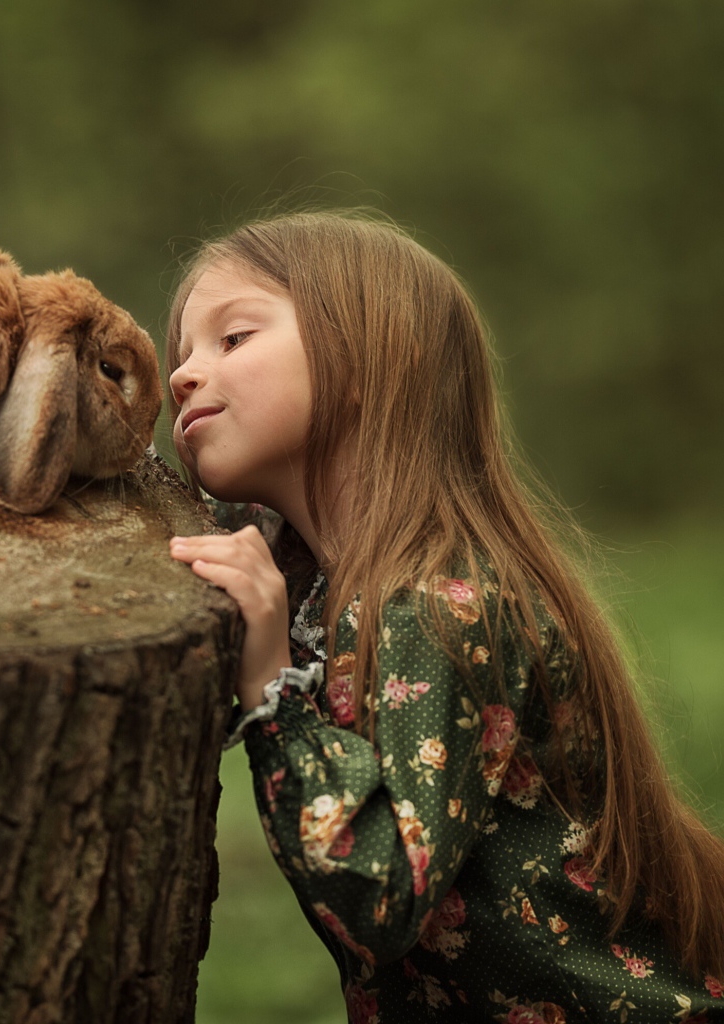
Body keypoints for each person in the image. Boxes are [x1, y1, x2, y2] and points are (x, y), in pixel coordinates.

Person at [165, 211, 724, 1023]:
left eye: (232, 338)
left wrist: (273, 692)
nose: (182, 375)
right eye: (180, 353)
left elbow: (380, 897)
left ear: (367, 358)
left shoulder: (433, 602)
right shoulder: (321, 590)